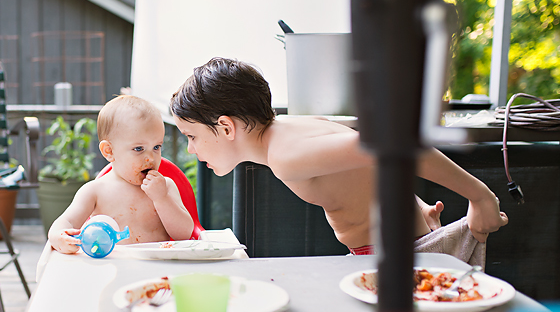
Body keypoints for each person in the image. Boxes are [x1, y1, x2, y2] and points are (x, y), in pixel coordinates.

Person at [170, 57, 508, 255]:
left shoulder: (286, 155)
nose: (191, 149)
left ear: (227, 128)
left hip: (395, 260)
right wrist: (416, 205)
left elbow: (398, 143)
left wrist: (481, 197)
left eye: (192, 136)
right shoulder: (289, 128)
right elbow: (368, 166)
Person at [48, 95, 193, 253]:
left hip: (157, 269)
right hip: (113, 269)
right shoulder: (95, 191)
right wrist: (58, 236)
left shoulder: (166, 187)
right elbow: (66, 221)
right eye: (139, 149)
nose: (151, 158)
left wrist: (162, 198)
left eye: (157, 147)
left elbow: (184, 234)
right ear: (109, 151)